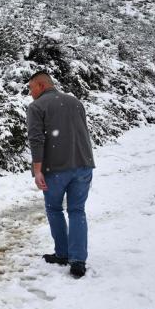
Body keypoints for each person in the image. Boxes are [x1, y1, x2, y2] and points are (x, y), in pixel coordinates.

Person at [26, 71, 95, 278]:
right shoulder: (74, 102)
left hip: (55, 169)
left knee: (54, 208)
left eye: (31, 88)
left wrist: (37, 171)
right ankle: (78, 261)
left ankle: (63, 253)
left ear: (41, 85)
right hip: (83, 164)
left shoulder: (36, 107)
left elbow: (36, 140)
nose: (30, 93)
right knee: (77, 210)